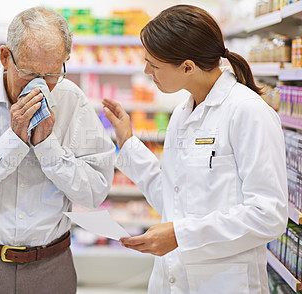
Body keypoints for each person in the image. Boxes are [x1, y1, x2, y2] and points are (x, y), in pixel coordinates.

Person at [102, 4, 288, 294]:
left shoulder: (248, 112)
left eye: (154, 64)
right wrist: (127, 142)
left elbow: (268, 215)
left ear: (187, 67)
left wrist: (180, 235)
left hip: (224, 282)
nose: (146, 70)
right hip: (173, 280)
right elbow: (172, 199)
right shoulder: (183, 113)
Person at [0, 6, 115, 294]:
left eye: (53, 74)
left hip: (51, 266)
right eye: (29, 73)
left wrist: (47, 148)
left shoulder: (73, 101)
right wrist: (12, 143)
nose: (41, 85)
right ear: (5, 57)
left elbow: (94, 194)